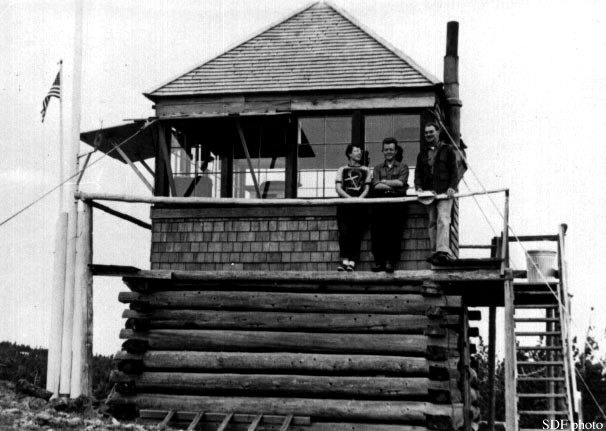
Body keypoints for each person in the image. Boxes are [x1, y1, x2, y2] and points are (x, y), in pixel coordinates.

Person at [414, 122, 459, 265]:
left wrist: (452, 187)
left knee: (443, 220)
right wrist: (419, 187)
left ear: (438, 132)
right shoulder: (422, 153)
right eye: (426, 132)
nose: (428, 135)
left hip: (444, 192)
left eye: (431, 132)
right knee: (432, 222)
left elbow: (454, 171)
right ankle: (435, 252)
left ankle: (443, 251)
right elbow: (418, 173)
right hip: (429, 193)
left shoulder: (448, 150)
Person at [370, 137, 409, 273]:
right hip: (380, 203)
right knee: (378, 232)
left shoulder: (403, 167)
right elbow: (375, 185)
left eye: (391, 149)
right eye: (386, 149)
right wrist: (393, 183)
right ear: (383, 151)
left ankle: (390, 261)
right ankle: (379, 261)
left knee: (394, 232)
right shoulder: (377, 168)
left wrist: (384, 181)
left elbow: (401, 183)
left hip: (396, 203)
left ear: (396, 151)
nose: (388, 152)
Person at [335, 144, 371, 271]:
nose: (359, 153)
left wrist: (359, 199)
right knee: (344, 232)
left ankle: (352, 261)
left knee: (356, 233)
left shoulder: (366, 170)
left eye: (360, 151)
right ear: (349, 154)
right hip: (345, 206)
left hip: (360, 206)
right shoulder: (342, 169)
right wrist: (349, 199)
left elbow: (367, 187)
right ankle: (344, 260)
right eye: (356, 151)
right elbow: (338, 188)